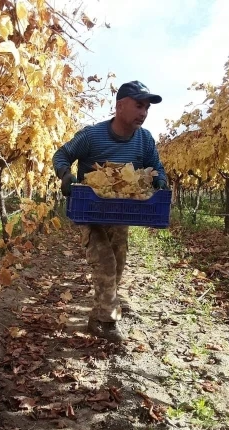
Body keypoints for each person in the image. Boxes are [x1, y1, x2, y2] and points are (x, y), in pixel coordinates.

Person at [52, 80, 168, 342]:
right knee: (104, 261)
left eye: (147, 108)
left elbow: (156, 167)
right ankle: (107, 320)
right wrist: (65, 175)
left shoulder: (145, 139)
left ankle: (99, 312)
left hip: (122, 211)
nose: (144, 112)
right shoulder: (92, 136)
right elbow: (62, 155)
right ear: (120, 106)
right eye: (139, 105)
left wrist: (160, 179)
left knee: (118, 262)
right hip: (90, 210)